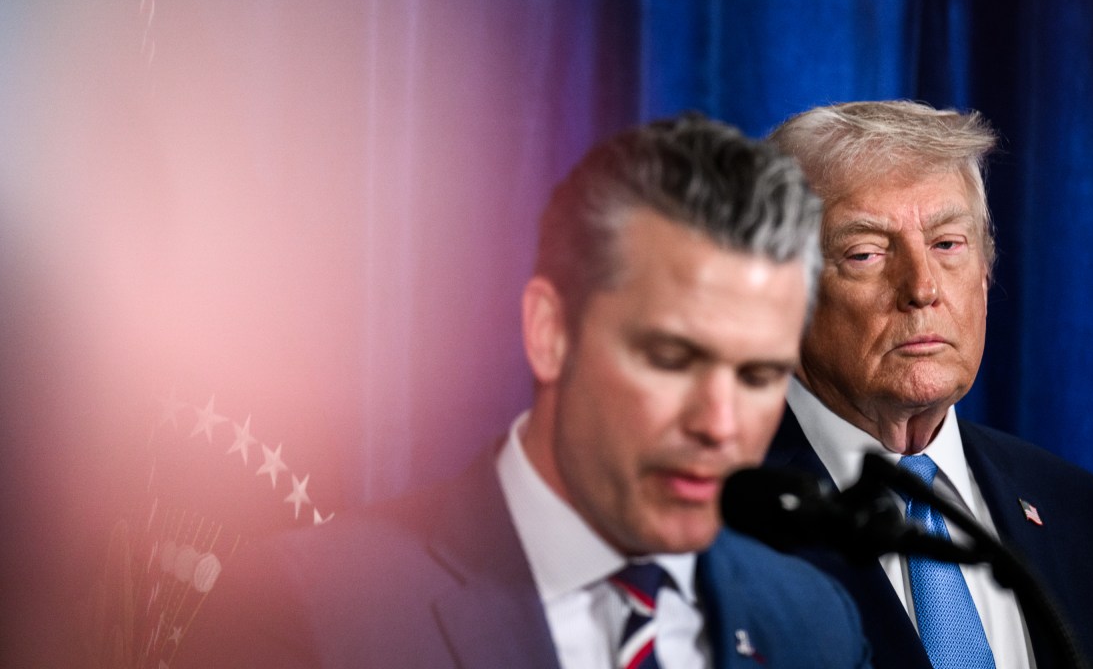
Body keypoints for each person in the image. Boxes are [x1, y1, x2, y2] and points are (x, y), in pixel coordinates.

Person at [172, 113, 872, 668]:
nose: (720, 424)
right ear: (549, 332)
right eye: (669, 359)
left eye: (758, 376)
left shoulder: (817, 627)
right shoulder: (307, 613)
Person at [764, 100, 1093, 669]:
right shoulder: (693, 523)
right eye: (866, 253)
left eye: (948, 243)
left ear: (986, 270)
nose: (922, 288)